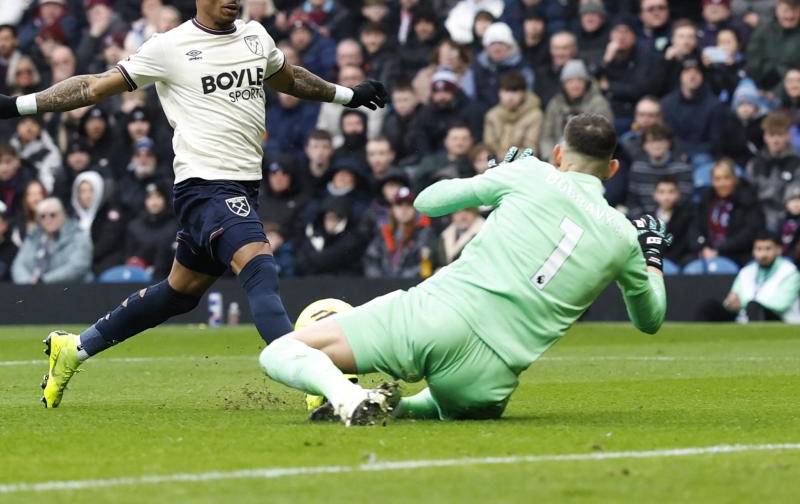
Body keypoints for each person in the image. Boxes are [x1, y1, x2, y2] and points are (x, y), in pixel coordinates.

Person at [0, 0, 387, 409]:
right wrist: (16, 106)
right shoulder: (168, 47)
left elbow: (289, 78)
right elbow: (92, 86)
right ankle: (322, 390)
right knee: (260, 270)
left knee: (179, 294)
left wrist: (348, 95)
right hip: (205, 186)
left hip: (242, 186)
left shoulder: (255, 38)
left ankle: (76, 348)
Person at [260, 115, 671, 425]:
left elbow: (426, 202)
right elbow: (650, 320)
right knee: (446, 404)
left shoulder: (531, 172)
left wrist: (494, 177)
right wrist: (652, 260)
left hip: (434, 318)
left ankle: (345, 397)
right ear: (612, 169)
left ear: (559, 154)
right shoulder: (623, 235)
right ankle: (396, 406)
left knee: (280, 351)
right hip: (488, 377)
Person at [11, 197, 94, 285]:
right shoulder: (33, 237)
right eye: (43, 216)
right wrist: (27, 282)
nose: (48, 219)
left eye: (52, 215)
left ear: (63, 215)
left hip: (73, 290)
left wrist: (44, 281)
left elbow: (78, 266)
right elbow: (18, 265)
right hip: (35, 291)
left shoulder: (78, 236)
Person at [723, 231, 800, 323]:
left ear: (779, 250)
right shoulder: (746, 271)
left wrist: (744, 304)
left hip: (781, 321)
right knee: (709, 307)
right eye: (758, 249)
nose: (763, 254)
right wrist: (730, 304)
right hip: (746, 317)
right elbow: (732, 297)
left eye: (768, 249)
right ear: (753, 251)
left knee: (754, 307)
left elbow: (780, 305)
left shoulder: (790, 272)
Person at [362, 186, 434, 278]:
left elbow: (425, 263)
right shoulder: (384, 231)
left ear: (415, 209)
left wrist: (398, 282)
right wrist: (380, 281)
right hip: (382, 287)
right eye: (399, 205)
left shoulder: (424, 232)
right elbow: (371, 259)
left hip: (411, 287)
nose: (404, 210)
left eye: (408, 205)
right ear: (393, 209)